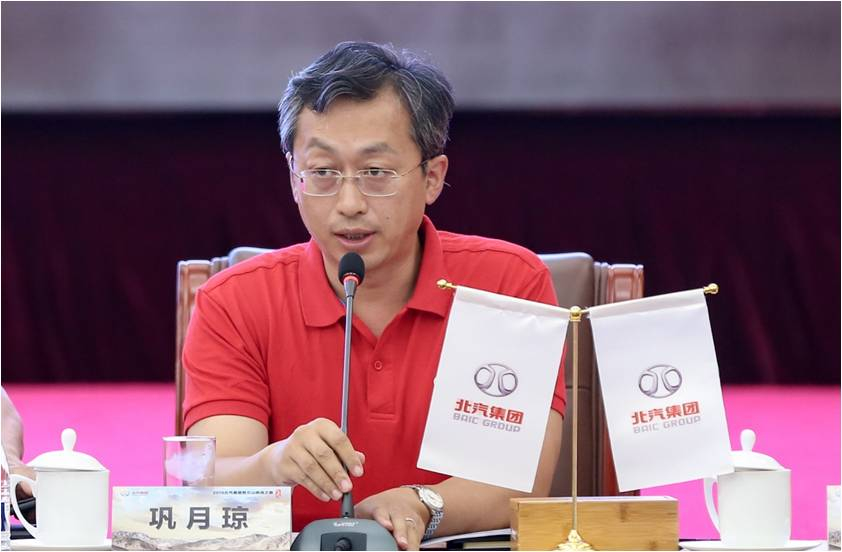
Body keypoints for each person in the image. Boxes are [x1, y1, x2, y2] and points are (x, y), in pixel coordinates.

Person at [183, 41, 565, 550]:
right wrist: (274, 463)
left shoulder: (504, 284)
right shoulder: (234, 302)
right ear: (294, 179)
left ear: (432, 178)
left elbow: (519, 479)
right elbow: (207, 480)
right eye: (323, 173)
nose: (349, 203)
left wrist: (421, 505)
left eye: (376, 173)